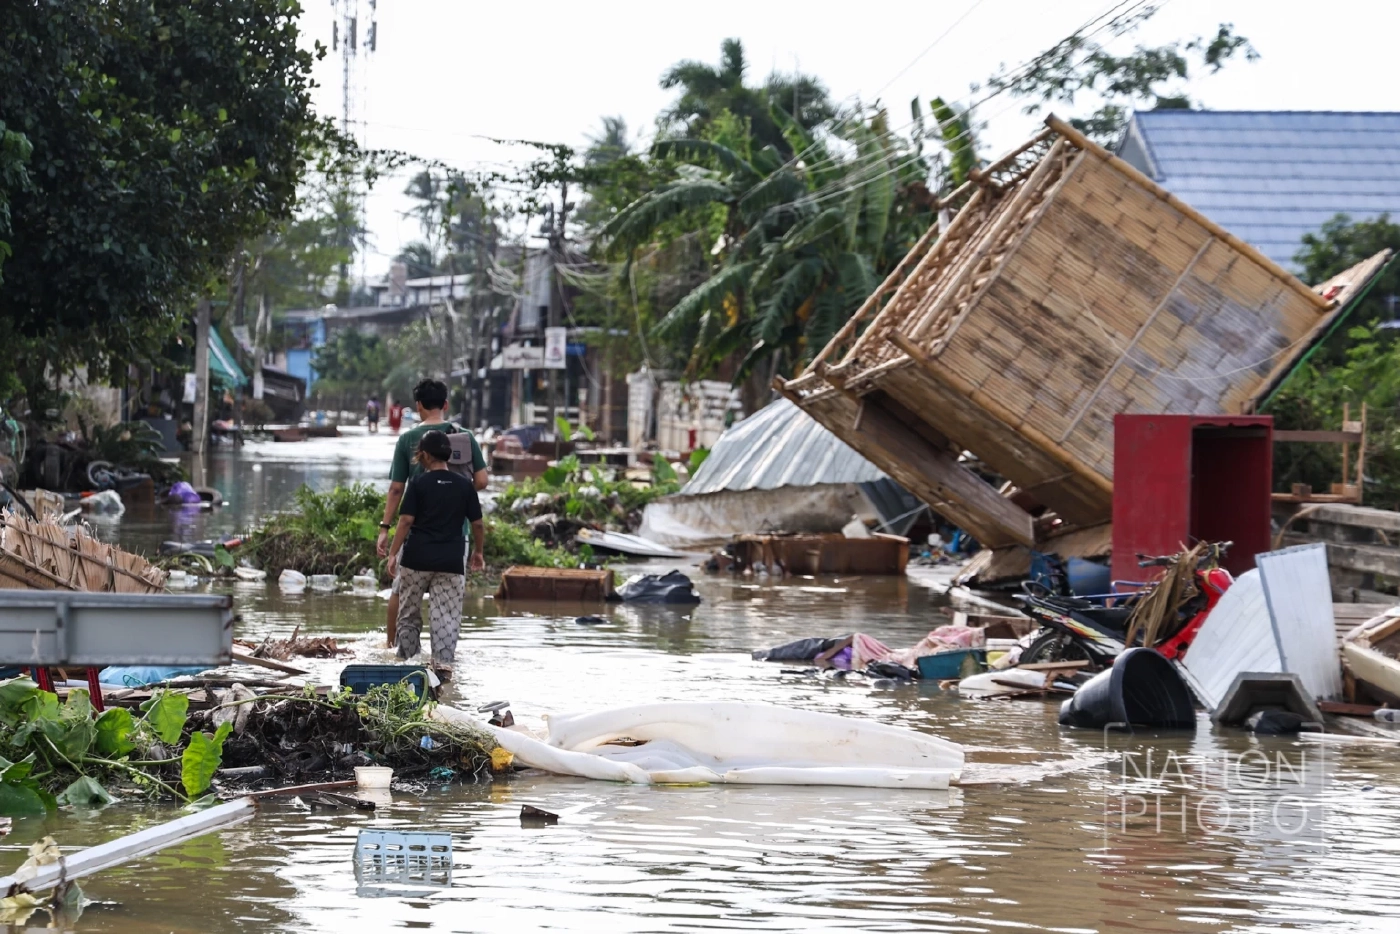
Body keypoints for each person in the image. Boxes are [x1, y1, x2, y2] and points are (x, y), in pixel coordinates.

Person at [376, 379, 488, 645]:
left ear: (418, 406)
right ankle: (445, 663)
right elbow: (482, 481)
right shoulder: (466, 436)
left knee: (400, 593)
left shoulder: (407, 439)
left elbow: (395, 489)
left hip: (415, 536)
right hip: (455, 535)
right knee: (447, 604)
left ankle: (393, 649)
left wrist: (384, 528)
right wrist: (456, 492)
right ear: (445, 405)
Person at [385, 430, 485, 675]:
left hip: (417, 558)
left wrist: (393, 552)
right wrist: (478, 552)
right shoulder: (464, 485)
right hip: (451, 561)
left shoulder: (418, 483)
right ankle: (442, 668)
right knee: (446, 617)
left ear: (426, 456)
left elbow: (406, 520)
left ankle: (407, 666)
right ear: (449, 456)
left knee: (408, 613)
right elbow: (478, 524)